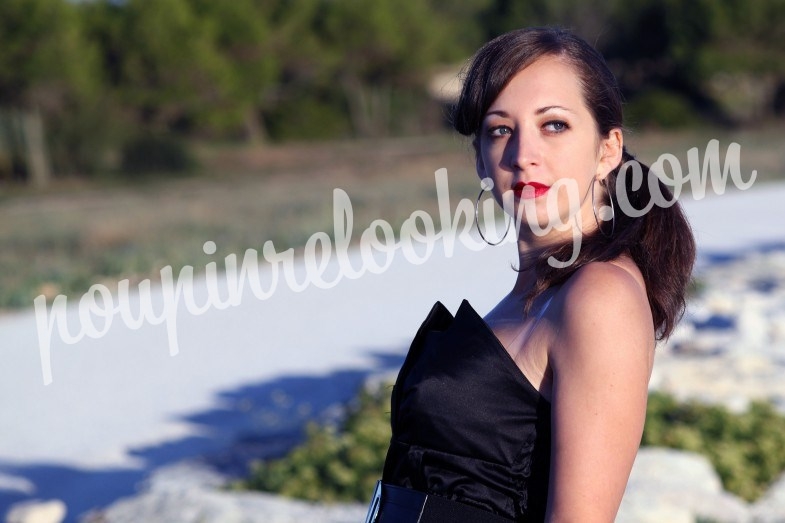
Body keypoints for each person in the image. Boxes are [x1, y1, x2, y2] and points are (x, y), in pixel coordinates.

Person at [368, 26, 696, 522]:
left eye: (554, 125)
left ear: (608, 149)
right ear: (480, 157)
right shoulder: (529, 300)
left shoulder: (599, 296)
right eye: (501, 129)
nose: (523, 155)